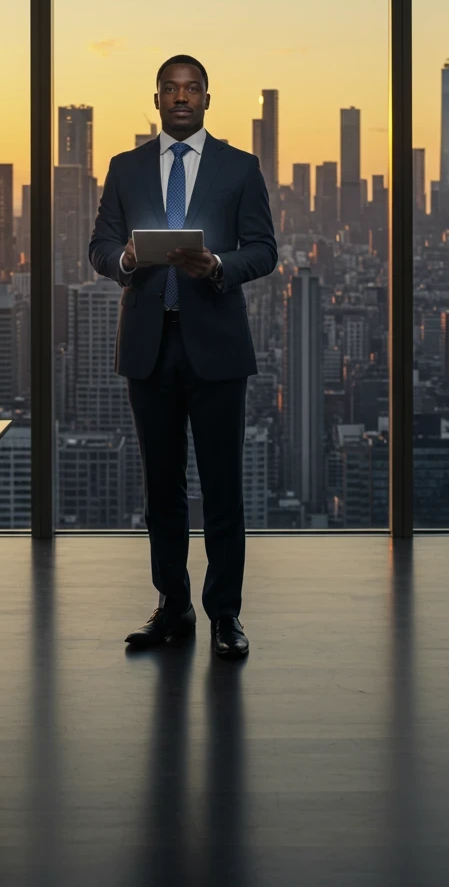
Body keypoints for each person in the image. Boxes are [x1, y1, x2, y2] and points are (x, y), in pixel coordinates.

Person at [89, 55, 278, 659]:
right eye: (170, 89)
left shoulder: (239, 167)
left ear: (206, 100)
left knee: (222, 489)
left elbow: (264, 250)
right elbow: (99, 246)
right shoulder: (125, 168)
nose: (180, 97)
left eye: (191, 89)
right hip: (149, 346)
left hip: (216, 346)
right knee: (161, 491)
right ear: (156, 100)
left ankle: (225, 615)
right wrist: (126, 259)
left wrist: (217, 264)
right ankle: (173, 606)